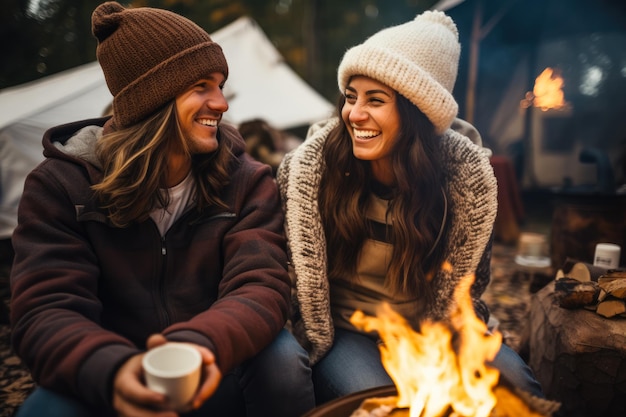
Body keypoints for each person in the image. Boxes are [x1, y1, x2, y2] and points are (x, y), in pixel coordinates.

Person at [10, 2, 313, 417]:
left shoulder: (245, 179)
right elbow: (47, 308)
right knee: (44, 411)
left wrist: (196, 347)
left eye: (220, 85)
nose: (222, 103)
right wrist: (116, 370)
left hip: (213, 364)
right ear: (152, 98)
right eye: (202, 86)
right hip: (113, 377)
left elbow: (260, 287)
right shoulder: (61, 185)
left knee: (282, 361)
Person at [276, 10, 544, 406]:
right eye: (351, 97)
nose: (355, 114)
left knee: (517, 391)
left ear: (417, 112)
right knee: (387, 405)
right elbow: (286, 273)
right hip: (347, 332)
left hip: (433, 329)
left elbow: (470, 286)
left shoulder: (464, 185)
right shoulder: (313, 174)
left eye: (376, 100)